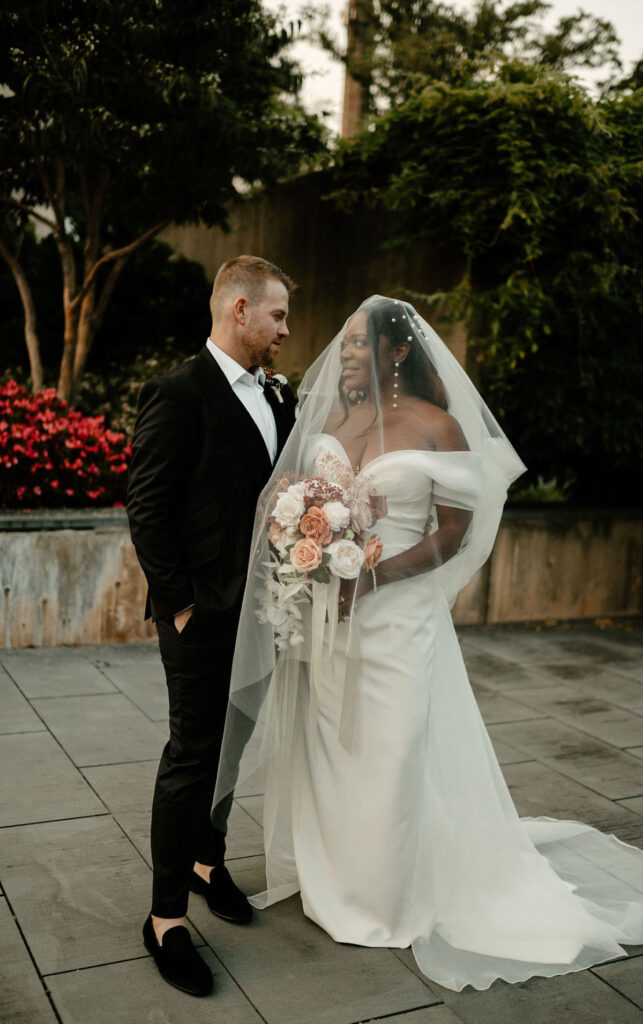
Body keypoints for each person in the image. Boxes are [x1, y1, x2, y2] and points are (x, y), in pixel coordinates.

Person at [213, 295, 643, 992]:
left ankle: (387, 896)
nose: (345, 353)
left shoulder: (437, 425)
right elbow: (292, 499)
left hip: (398, 614)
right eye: (344, 342)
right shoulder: (329, 419)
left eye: (358, 344)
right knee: (331, 744)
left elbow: (454, 532)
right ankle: (335, 880)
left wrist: (375, 576)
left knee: (393, 743)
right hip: (329, 618)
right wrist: (304, 546)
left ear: (398, 352)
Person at [127, 255, 297, 997]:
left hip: (265, 612)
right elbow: (148, 508)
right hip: (200, 615)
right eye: (278, 315)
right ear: (238, 308)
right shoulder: (177, 393)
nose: (285, 330)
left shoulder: (279, 398)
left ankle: (207, 858)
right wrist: (182, 605)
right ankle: (166, 918)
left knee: (234, 744)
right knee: (193, 753)